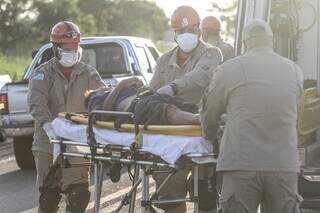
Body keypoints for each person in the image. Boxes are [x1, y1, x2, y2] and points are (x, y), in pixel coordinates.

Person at [201, 19, 303, 213]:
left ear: (245, 43)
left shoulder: (229, 69)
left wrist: (209, 136)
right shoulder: (294, 70)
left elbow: (209, 113)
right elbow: (290, 110)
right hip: (283, 164)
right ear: (271, 41)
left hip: (241, 164)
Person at [149, 6, 223, 213]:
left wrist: (173, 87)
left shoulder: (211, 53)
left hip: (201, 132)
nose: (186, 35)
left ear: (199, 30)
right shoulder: (164, 60)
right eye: (181, 32)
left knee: (204, 194)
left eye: (190, 29)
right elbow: (152, 91)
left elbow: (202, 76)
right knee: (170, 196)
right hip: (171, 137)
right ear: (175, 33)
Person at [28, 21, 105, 213]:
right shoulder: (42, 74)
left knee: (79, 196)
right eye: (67, 48)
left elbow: (101, 100)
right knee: (48, 197)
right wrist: (48, 126)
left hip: (78, 144)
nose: (72, 51)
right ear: (56, 48)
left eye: (75, 47)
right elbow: (36, 102)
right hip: (47, 144)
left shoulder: (89, 73)